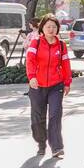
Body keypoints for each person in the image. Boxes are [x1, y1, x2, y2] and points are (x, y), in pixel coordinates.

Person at [26, 15, 71, 158]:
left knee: (55, 115)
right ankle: (41, 143)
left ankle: (57, 147)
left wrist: (67, 82)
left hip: (56, 85)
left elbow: (65, 64)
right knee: (38, 117)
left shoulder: (62, 45)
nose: (51, 29)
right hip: (37, 85)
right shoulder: (36, 43)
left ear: (57, 28)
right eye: (48, 27)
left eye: (54, 27)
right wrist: (32, 77)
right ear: (42, 29)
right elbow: (30, 60)